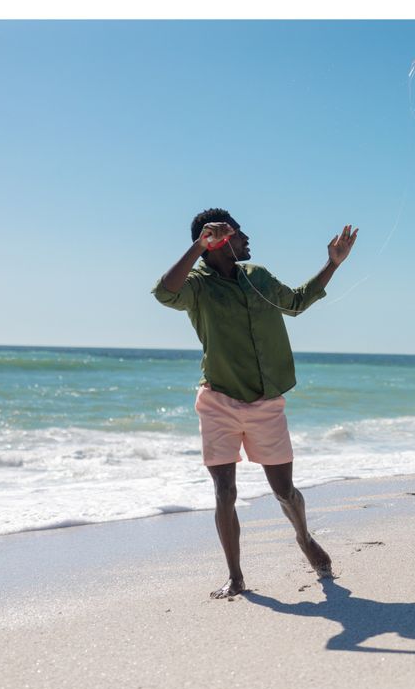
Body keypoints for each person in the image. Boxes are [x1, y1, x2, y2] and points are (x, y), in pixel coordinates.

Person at [153, 208, 358, 599]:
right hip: (218, 399)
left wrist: (332, 265)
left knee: (285, 490)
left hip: (266, 402)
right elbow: (165, 292)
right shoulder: (197, 285)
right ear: (217, 242)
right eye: (239, 234)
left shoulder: (257, 277)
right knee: (224, 491)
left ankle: (303, 536)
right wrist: (197, 248)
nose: (248, 240)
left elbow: (297, 302)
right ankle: (235, 575)